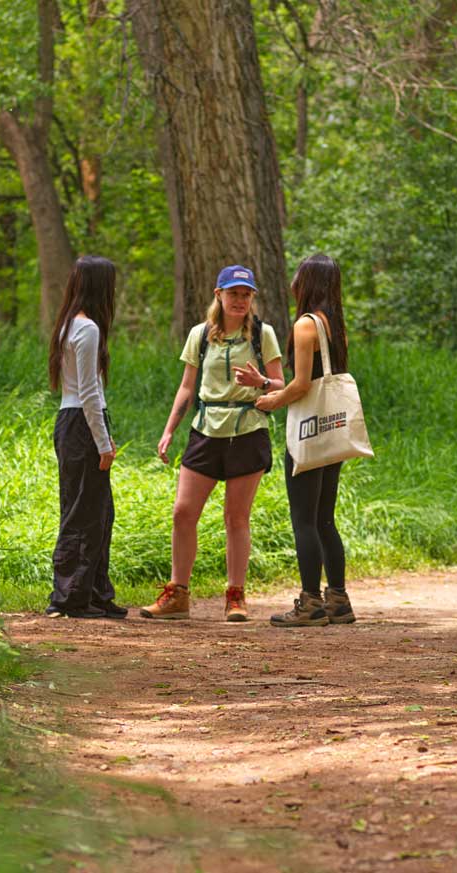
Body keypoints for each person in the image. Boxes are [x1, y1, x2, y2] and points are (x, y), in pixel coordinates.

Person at [141, 265, 285, 621]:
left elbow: (283, 385)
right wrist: (169, 429)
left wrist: (261, 381)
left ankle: (235, 597)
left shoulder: (262, 335)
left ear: (252, 298)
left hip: (247, 430)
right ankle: (178, 595)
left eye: (246, 294)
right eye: (233, 293)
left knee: (236, 517)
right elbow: (188, 386)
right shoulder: (201, 334)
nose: (240, 300)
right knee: (183, 511)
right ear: (218, 295)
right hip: (205, 430)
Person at [254, 254, 355, 627]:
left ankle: (310, 602)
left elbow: (300, 385)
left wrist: (272, 400)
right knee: (325, 518)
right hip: (333, 429)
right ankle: (338, 600)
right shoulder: (336, 325)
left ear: (306, 282)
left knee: (304, 520)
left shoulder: (305, 325)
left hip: (309, 432)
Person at [45, 255, 125, 619]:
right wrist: (104, 443)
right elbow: (90, 391)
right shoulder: (88, 328)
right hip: (81, 423)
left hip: (71, 421)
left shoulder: (68, 324)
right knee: (84, 512)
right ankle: (71, 596)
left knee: (99, 512)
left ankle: (94, 592)